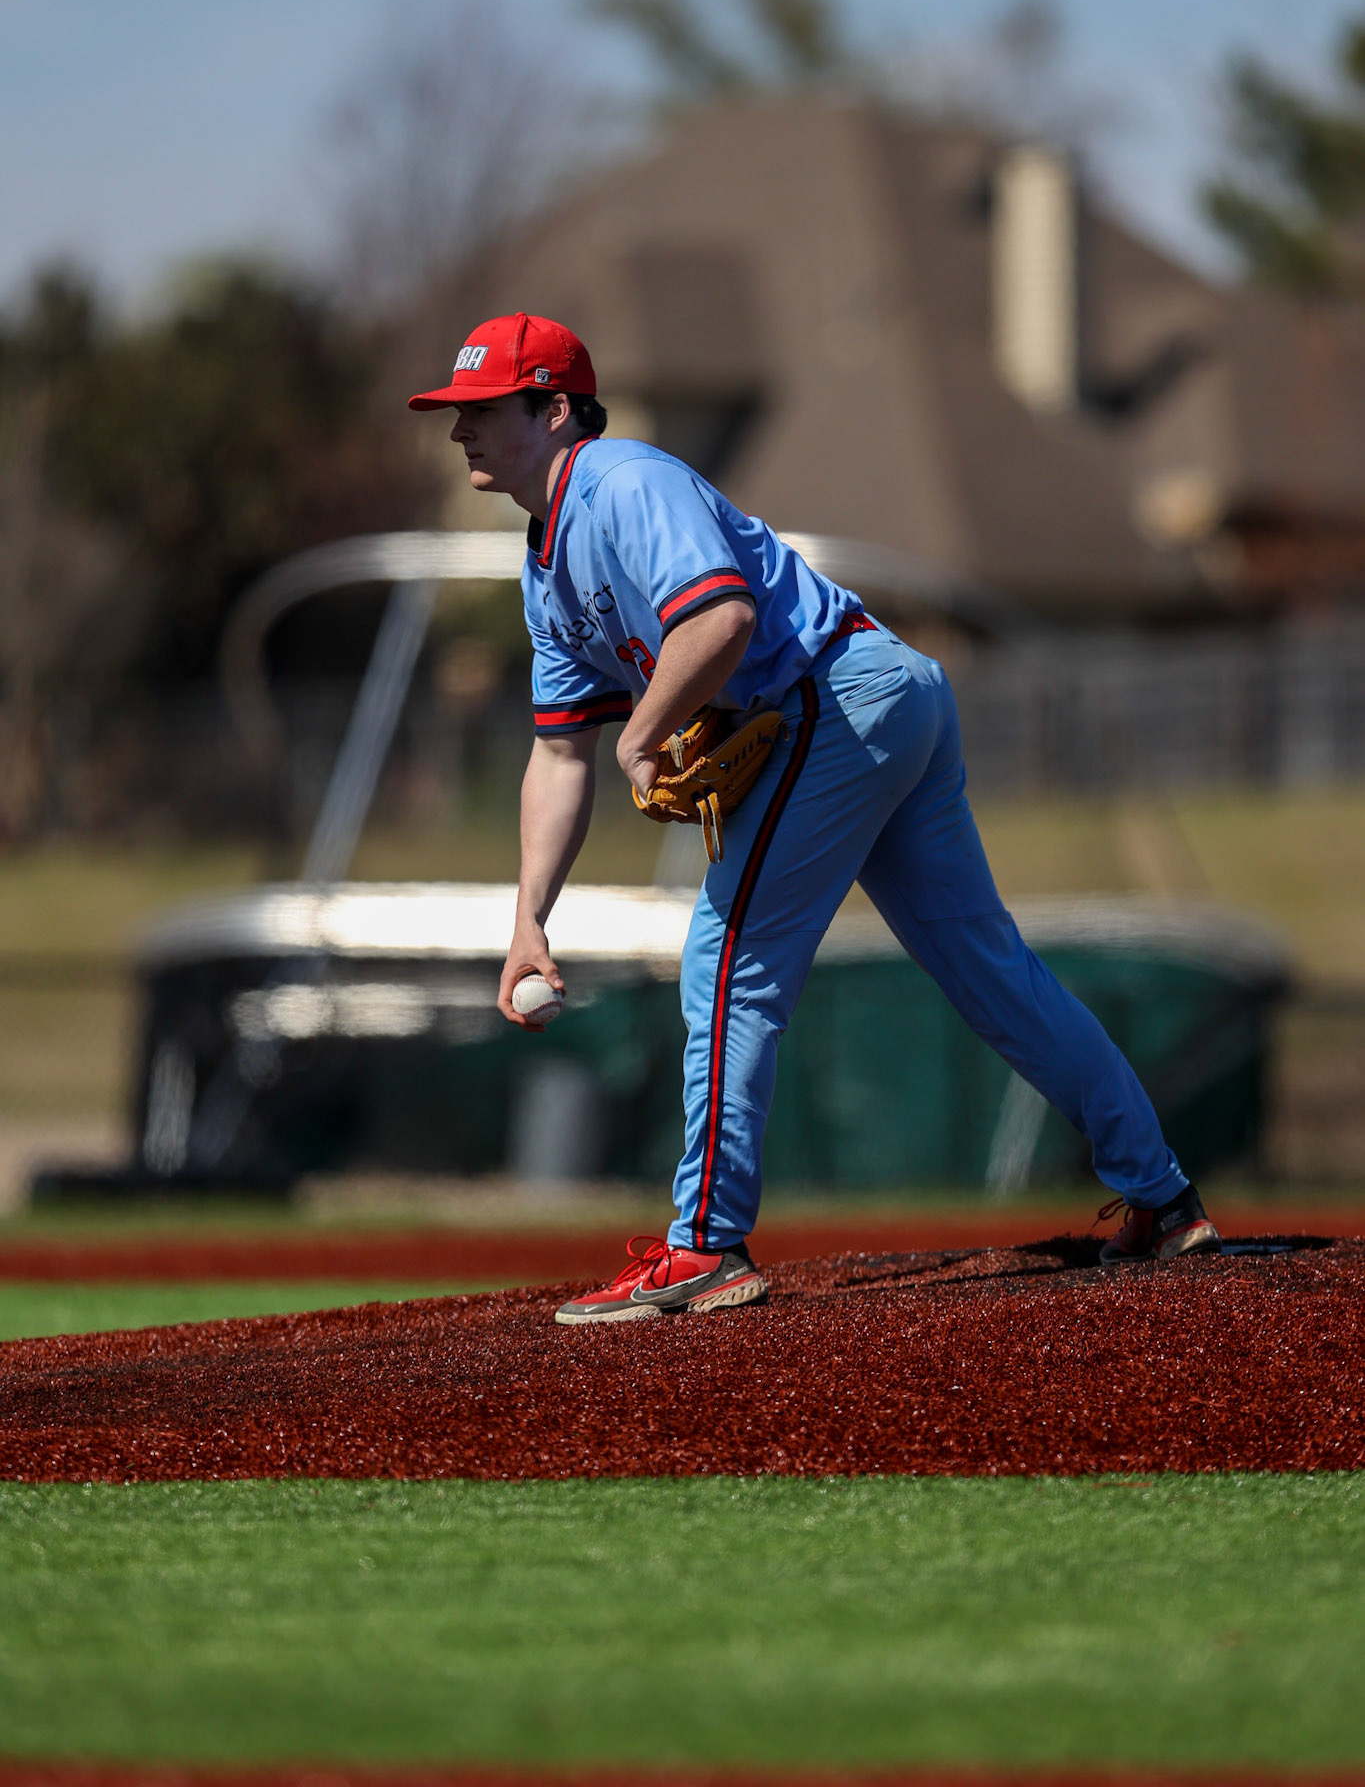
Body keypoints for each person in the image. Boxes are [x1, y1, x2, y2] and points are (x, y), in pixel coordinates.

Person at [409, 312, 1221, 1323]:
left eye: (483, 409)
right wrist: (531, 917)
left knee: (728, 953)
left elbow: (722, 618)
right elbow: (558, 750)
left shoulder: (621, 480)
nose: (460, 430)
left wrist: (646, 729)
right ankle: (1163, 1196)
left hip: (835, 699)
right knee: (988, 970)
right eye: (456, 411)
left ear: (557, 408)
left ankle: (704, 1244)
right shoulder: (548, 568)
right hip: (880, 694)